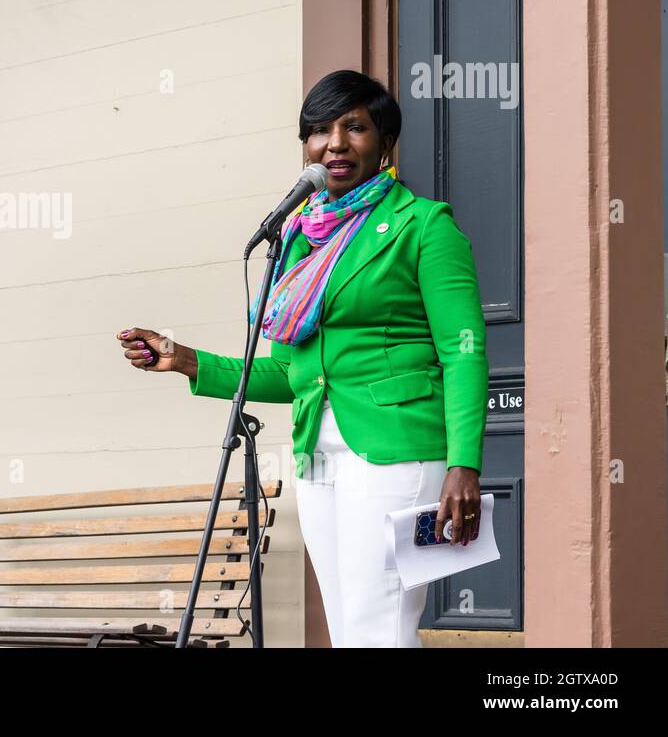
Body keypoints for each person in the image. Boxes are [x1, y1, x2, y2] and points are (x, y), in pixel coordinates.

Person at [118, 69, 487, 648]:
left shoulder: (423, 227)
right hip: (317, 453)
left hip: (398, 448)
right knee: (345, 626)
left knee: (379, 622)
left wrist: (464, 464)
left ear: (384, 141)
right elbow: (295, 376)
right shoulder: (294, 241)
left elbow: (463, 354)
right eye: (318, 130)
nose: (334, 143)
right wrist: (187, 361)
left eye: (354, 127)